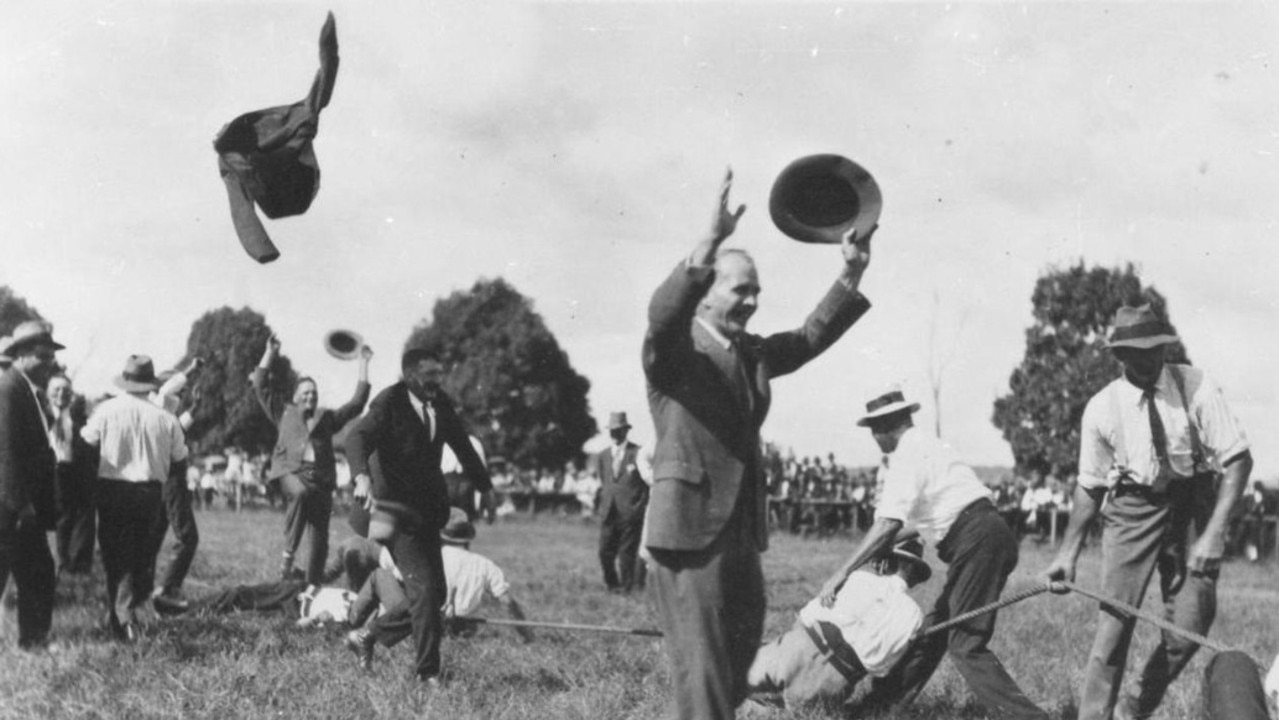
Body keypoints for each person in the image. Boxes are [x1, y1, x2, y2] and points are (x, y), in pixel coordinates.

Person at [642, 169, 873, 720]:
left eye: (757, 291)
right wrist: (710, 241)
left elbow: (809, 336)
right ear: (704, 295)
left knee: (734, 664)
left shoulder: (751, 354)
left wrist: (851, 272)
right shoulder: (676, 354)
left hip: (743, 533)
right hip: (691, 535)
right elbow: (662, 314)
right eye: (740, 288)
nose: (752, 301)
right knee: (703, 674)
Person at [1044, 304, 1252, 720]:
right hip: (1131, 509)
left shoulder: (1197, 386)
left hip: (1192, 504)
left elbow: (1238, 459)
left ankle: (1135, 704)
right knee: (1115, 624)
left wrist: (1213, 533)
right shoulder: (1102, 408)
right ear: (1119, 355)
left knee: (1193, 621)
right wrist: (1067, 554)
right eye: (1137, 351)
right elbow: (1090, 485)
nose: (1149, 358)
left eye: (1156, 347)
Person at [819, 385, 1049, 719]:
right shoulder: (932, 447)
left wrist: (841, 574)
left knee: (965, 645)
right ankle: (880, 708)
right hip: (986, 534)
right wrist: (880, 544)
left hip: (976, 542)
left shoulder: (904, 457)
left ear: (885, 427)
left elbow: (887, 525)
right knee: (934, 631)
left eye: (873, 431)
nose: (874, 438)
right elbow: (928, 518)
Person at [346, 346, 493, 685]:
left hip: (427, 513)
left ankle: (367, 636)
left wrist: (486, 487)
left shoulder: (439, 404)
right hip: (394, 514)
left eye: (439, 376)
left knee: (435, 594)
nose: (436, 383)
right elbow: (357, 437)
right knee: (425, 591)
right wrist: (362, 476)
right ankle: (428, 674)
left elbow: (463, 447)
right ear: (409, 375)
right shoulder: (390, 402)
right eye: (429, 377)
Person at [746, 534, 931, 710]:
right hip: (835, 682)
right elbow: (881, 669)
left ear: (885, 562)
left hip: (800, 649)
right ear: (914, 578)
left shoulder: (860, 578)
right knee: (787, 709)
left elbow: (805, 618)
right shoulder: (913, 617)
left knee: (732, 678)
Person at [81, 354, 190, 642]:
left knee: (113, 557)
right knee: (139, 556)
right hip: (148, 492)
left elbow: (85, 443)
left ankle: (120, 617)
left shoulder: (106, 411)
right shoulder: (166, 418)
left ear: (126, 381)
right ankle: (125, 616)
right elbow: (180, 457)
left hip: (111, 490)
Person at [252, 334, 371, 584]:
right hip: (289, 473)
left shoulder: (326, 419)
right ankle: (287, 556)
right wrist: (270, 353)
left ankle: (311, 586)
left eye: (313, 394)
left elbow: (357, 404)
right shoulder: (283, 412)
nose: (310, 397)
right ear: (295, 396)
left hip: (320, 482)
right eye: (305, 393)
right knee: (300, 493)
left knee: (319, 543)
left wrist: (363, 363)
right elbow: (260, 385)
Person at [0, 321, 63, 648]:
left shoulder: (22, 388)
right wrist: (22, 504)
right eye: (42, 355)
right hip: (14, 504)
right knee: (38, 570)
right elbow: (7, 451)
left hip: (15, 502)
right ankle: (34, 641)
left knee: (24, 569)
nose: (48, 362)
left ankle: (33, 638)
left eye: (52, 356)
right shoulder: (10, 389)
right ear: (22, 354)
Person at [148, 359, 203, 611]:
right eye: (179, 389)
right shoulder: (158, 401)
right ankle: (168, 589)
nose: (181, 394)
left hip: (165, 476)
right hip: (170, 476)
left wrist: (195, 406)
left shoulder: (163, 414)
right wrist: (190, 370)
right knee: (187, 536)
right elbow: (166, 391)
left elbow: (179, 427)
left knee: (155, 534)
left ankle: (144, 589)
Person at [46, 374, 98, 578]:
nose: (61, 394)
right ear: (48, 393)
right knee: (60, 518)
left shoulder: (77, 416)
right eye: (56, 390)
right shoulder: (43, 415)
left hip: (74, 471)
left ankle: (76, 564)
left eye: (66, 390)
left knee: (78, 516)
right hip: (52, 472)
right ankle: (60, 562)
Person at [594, 411, 651, 594]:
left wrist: (638, 507)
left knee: (627, 553)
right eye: (612, 430)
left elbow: (645, 484)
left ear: (626, 431)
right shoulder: (602, 455)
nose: (614, 433)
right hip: (609, 510)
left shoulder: (637, 453)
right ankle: (612, 585)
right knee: (604, 551)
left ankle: (627, 588)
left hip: (630, 511)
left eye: (618, 430)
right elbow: (605, 481)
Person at [441, 433, 489, 522]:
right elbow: (482, 468)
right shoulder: (475, 442)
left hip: (453, 479)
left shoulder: (444, 441)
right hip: (462, 480)